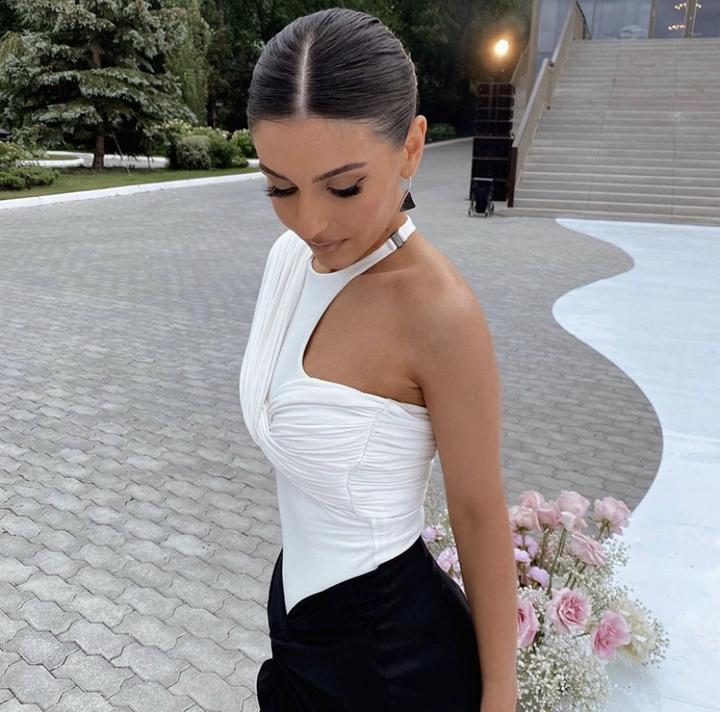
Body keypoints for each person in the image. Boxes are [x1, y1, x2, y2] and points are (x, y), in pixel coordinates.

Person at [238, 7, 518, 711]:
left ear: (412, 148)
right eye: (279, 187)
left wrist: (500, 692)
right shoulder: (287, 260)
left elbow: (479, 510)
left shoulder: (438, 313)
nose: (309, 222)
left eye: (344, 187)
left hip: (396, 667)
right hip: (301, 628)